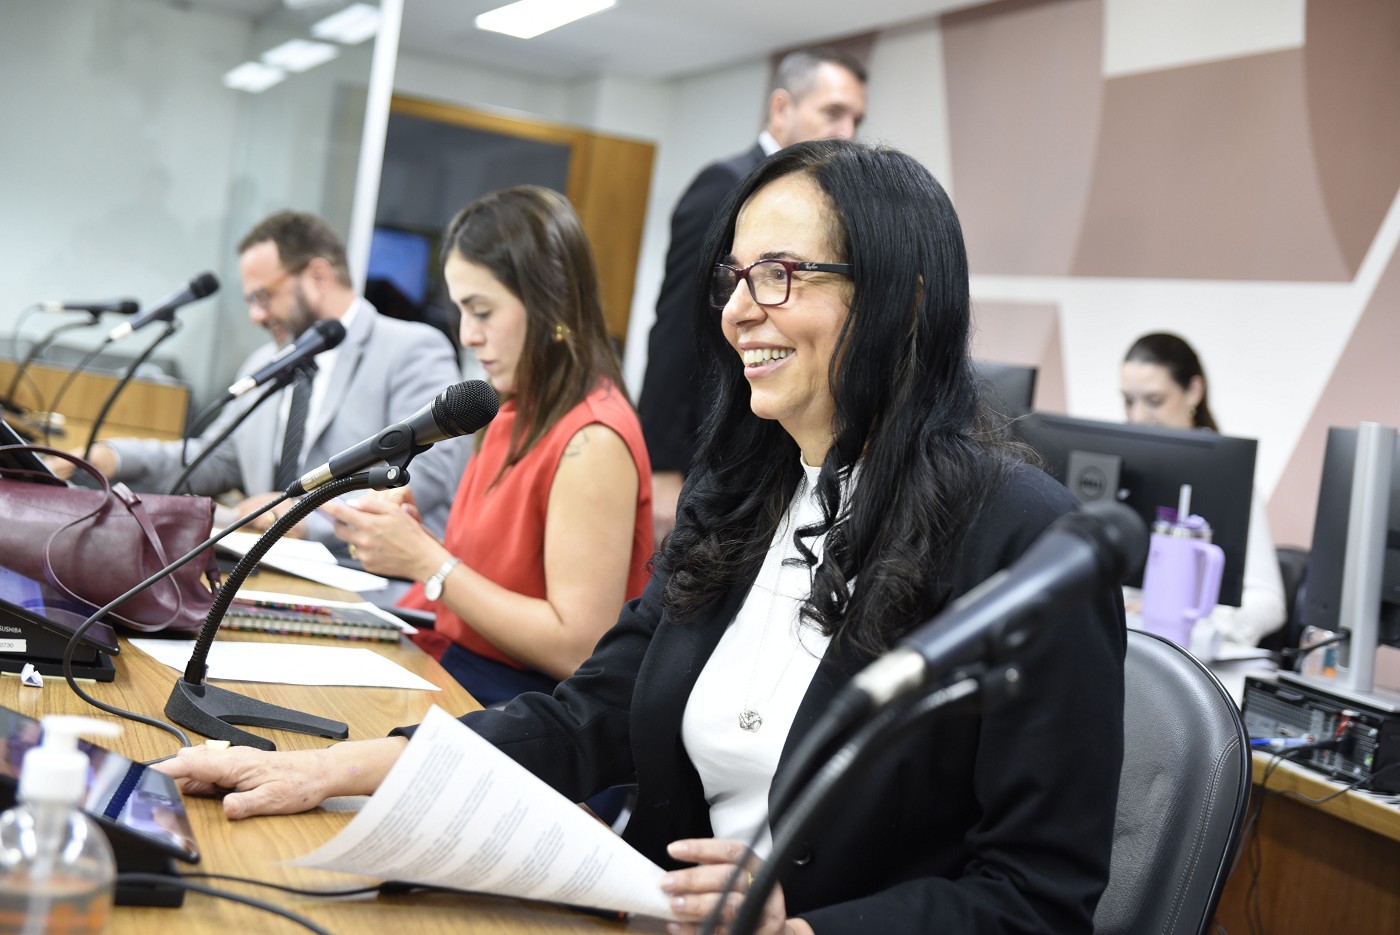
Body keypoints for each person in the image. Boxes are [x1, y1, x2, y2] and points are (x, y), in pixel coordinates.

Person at [157, 141, 1126, 935]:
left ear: (902, 301)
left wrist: (807, 926)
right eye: (735, 277)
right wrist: (342, 768)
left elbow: (1036, 899)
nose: (738, 309)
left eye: (780, 275)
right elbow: (589, 716)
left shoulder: (1024, 543)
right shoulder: (739, 495)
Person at [321, 186, 654, 705]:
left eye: (481, 311)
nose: (468, 335)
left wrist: (427, 561)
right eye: (461, 311)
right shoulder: (511, 407)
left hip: (526, 705)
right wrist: (412, 540)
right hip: (461, 669)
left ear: (551, 303)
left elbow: (578, 647)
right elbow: (494, 579)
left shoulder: (592, 439)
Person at [76, 211, 464, 558]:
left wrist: (304, 518)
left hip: (364, 579)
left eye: (264, 296)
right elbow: (217, 458)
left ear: (318, 276)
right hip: (263, 569)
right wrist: (112, 458)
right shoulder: (265, 364)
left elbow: (425, 476)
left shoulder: (411, 349)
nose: (256, 316)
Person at [638, 47, 867, 544]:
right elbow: (676, 327)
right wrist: (662, 464)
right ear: (781, 108)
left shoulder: (829, 202)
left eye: (856, 118)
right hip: (714, 445)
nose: (846, 131)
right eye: (832, 112)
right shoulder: (723, 185)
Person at [1121, 332, 1287, 646]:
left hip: (1185, 657)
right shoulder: (1126, 475)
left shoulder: (1231, 483)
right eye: (1129, 401)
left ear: (1194, 391)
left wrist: (1192, 618)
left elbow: (1268, 603)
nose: (1137, 416)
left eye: (1154, 401)